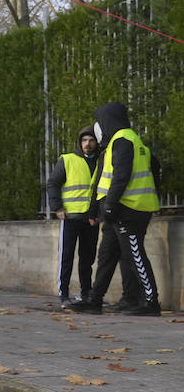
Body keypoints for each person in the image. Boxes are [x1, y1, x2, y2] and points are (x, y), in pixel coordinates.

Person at [69, 101, 161, 316]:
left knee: (135, 255)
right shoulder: (125, 143)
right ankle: (94, 300)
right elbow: (154, 173)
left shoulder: (124, 141)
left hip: (127, 209)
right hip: (119, 210)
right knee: (107, 256)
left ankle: (151, 302)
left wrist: (109, 206)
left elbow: (121, 176)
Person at [46, 125, 99, 309]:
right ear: (79, 142)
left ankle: (86, 294)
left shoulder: (101, 161)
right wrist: (57, 207)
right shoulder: (67, 160)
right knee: (66, 257)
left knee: (88, 258)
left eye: (91, 140)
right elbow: (53, 183)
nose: (88, 144)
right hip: (70, 217)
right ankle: (64, 295)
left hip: (91, 219)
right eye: (84, 140)